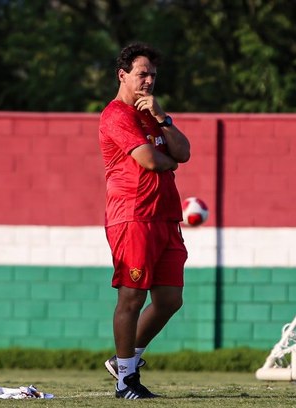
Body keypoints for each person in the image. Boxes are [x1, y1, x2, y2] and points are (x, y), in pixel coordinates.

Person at [98, 42, 191, 399]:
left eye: (153, 74)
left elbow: (182, 151)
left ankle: (123, 360)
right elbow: (152, 160)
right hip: (133, 216)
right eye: (142, 74)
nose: (149, 80)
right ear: (123, 75)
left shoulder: (151, 114)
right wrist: (168, 161)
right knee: (132, 297)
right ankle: (126, 381)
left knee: (170, 299)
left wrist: (163, 117)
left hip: (166, 217)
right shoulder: (116, 115)